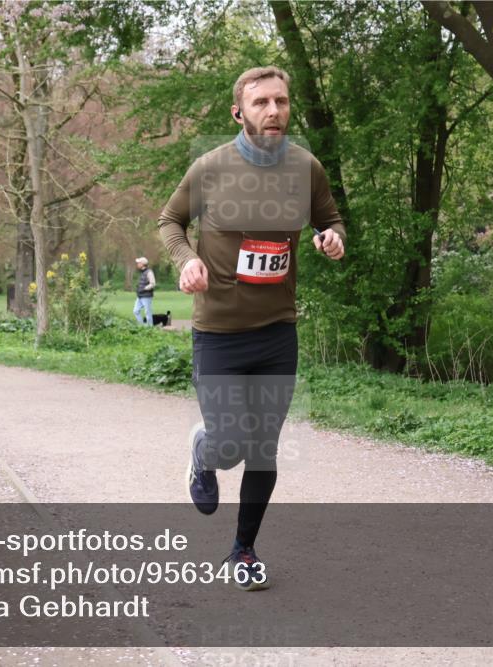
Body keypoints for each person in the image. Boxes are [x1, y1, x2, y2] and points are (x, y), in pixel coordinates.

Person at [158, 66, 345, 591]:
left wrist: (332, 238)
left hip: (277, 331)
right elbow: (170, 221)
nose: (273, 111)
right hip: (219, 332)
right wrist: (187, 260)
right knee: (231, 444)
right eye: (261, 102)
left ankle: (243, 550)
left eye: (281, 101)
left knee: (263, 447)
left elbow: (330, 219)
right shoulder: (211, 168)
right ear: (239, 112)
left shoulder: (305, 168)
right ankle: (204, 451)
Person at [133, 257, 156, 326]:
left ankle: (150, 327)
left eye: (138, 263)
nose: (137, 264)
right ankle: (142, 326)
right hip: (140, 296)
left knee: (147, 312)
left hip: (147, 296)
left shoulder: (149, 272)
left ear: (142, 264)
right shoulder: (142, 272)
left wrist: (144, 288)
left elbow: (153, 284)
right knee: (136, 311)